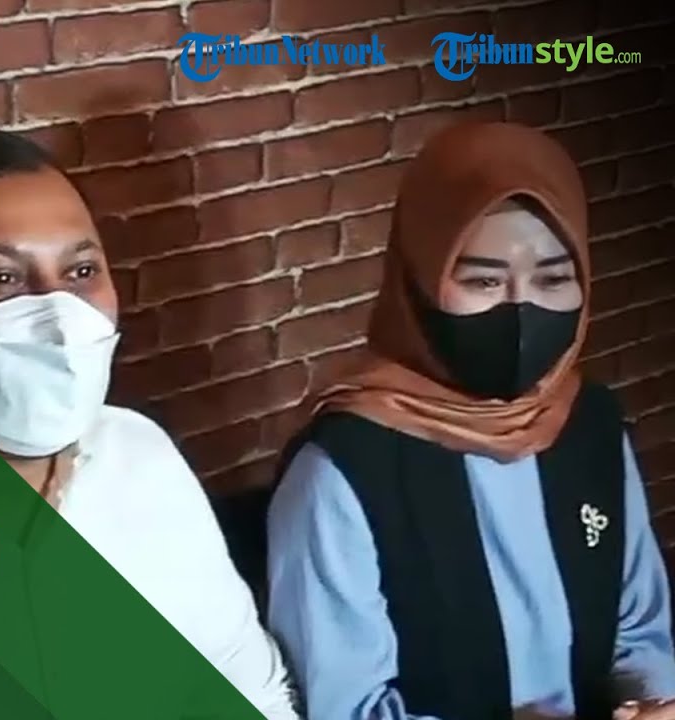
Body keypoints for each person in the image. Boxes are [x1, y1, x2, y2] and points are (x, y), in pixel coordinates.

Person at [0, 124, 298, 719]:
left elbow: (244, 680)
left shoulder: (139, 455)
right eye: (0, 279)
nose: (60, 320)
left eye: (81, 272)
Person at [262, 121, 675, 720]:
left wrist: (651, 704)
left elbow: (639, 631)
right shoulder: (342, 472)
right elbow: (346, 709)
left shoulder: (589, 426)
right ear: (419, 284)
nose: (520, 307)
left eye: (554, 279)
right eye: (482, 279)